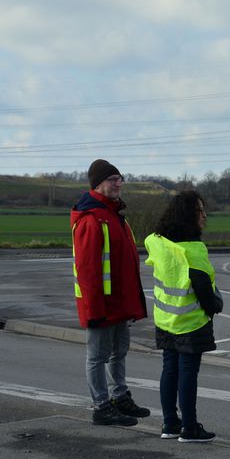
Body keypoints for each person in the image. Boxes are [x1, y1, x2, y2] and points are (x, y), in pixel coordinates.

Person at [71, 159, 150, 426]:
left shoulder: (113, 215)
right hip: (102, 305)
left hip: (119, 302)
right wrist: (94, 309)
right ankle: (101, 406)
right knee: (97, 356)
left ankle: (119, 397)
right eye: (112, 179)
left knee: (119, 352)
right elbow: (87, 269)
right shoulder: (92, 219)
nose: (118, 183)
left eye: (120, 178)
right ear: (98, 184)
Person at [145, 191, 223, 443]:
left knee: (169, 369)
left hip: (165, 319)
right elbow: (203, 288)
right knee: (188, 372)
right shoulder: (193, 249)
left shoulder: (159, 243)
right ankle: (190, 427)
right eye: (200, 211)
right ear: (188, 215)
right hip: (191, 321)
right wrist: (213, 307)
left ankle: (170, 424)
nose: (204, 216)